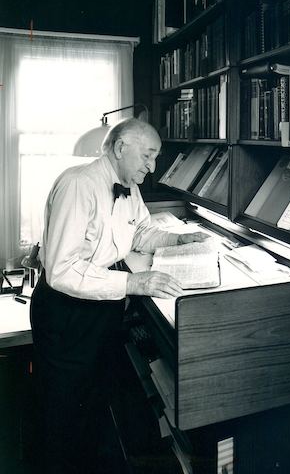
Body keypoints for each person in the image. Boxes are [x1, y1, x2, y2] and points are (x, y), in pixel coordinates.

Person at [30, 117, 208, 474]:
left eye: (155, 158)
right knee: (63, 410)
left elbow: (140, 233)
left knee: (94, 402)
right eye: (148, 155)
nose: (152, 166)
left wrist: (177, 240)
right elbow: (62, 271)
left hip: (101, 308)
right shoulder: (78, 185)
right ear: (120, 147)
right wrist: (134, 284)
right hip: (67, 313)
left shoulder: (129, 185)